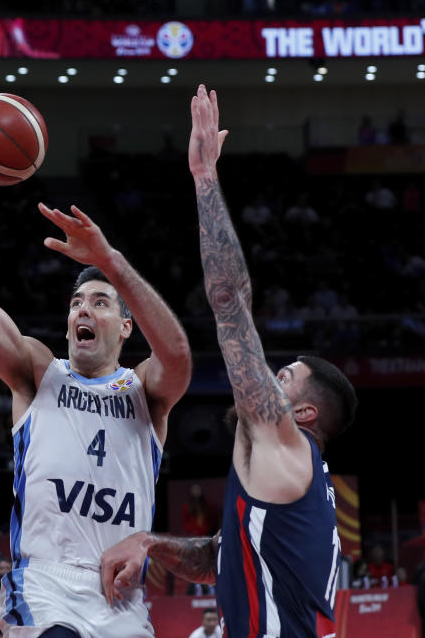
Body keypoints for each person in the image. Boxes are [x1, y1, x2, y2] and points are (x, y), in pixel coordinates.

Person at [100, 85, 357, 638]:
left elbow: (228, 300)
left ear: (304, 414)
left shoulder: (285, 444)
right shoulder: (290, 487)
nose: (266, 378)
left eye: (283, 377)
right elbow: (214, 557)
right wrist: (148, 542)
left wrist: (205, 179)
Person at [0, 103, 192, 637]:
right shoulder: (36, 372)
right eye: (78, 303)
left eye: (101, 303)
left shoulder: (145, 389)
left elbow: (179, 357)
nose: (83, 310)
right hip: (44, 583)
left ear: (125, 328)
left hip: (120, 595)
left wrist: (115, 266)